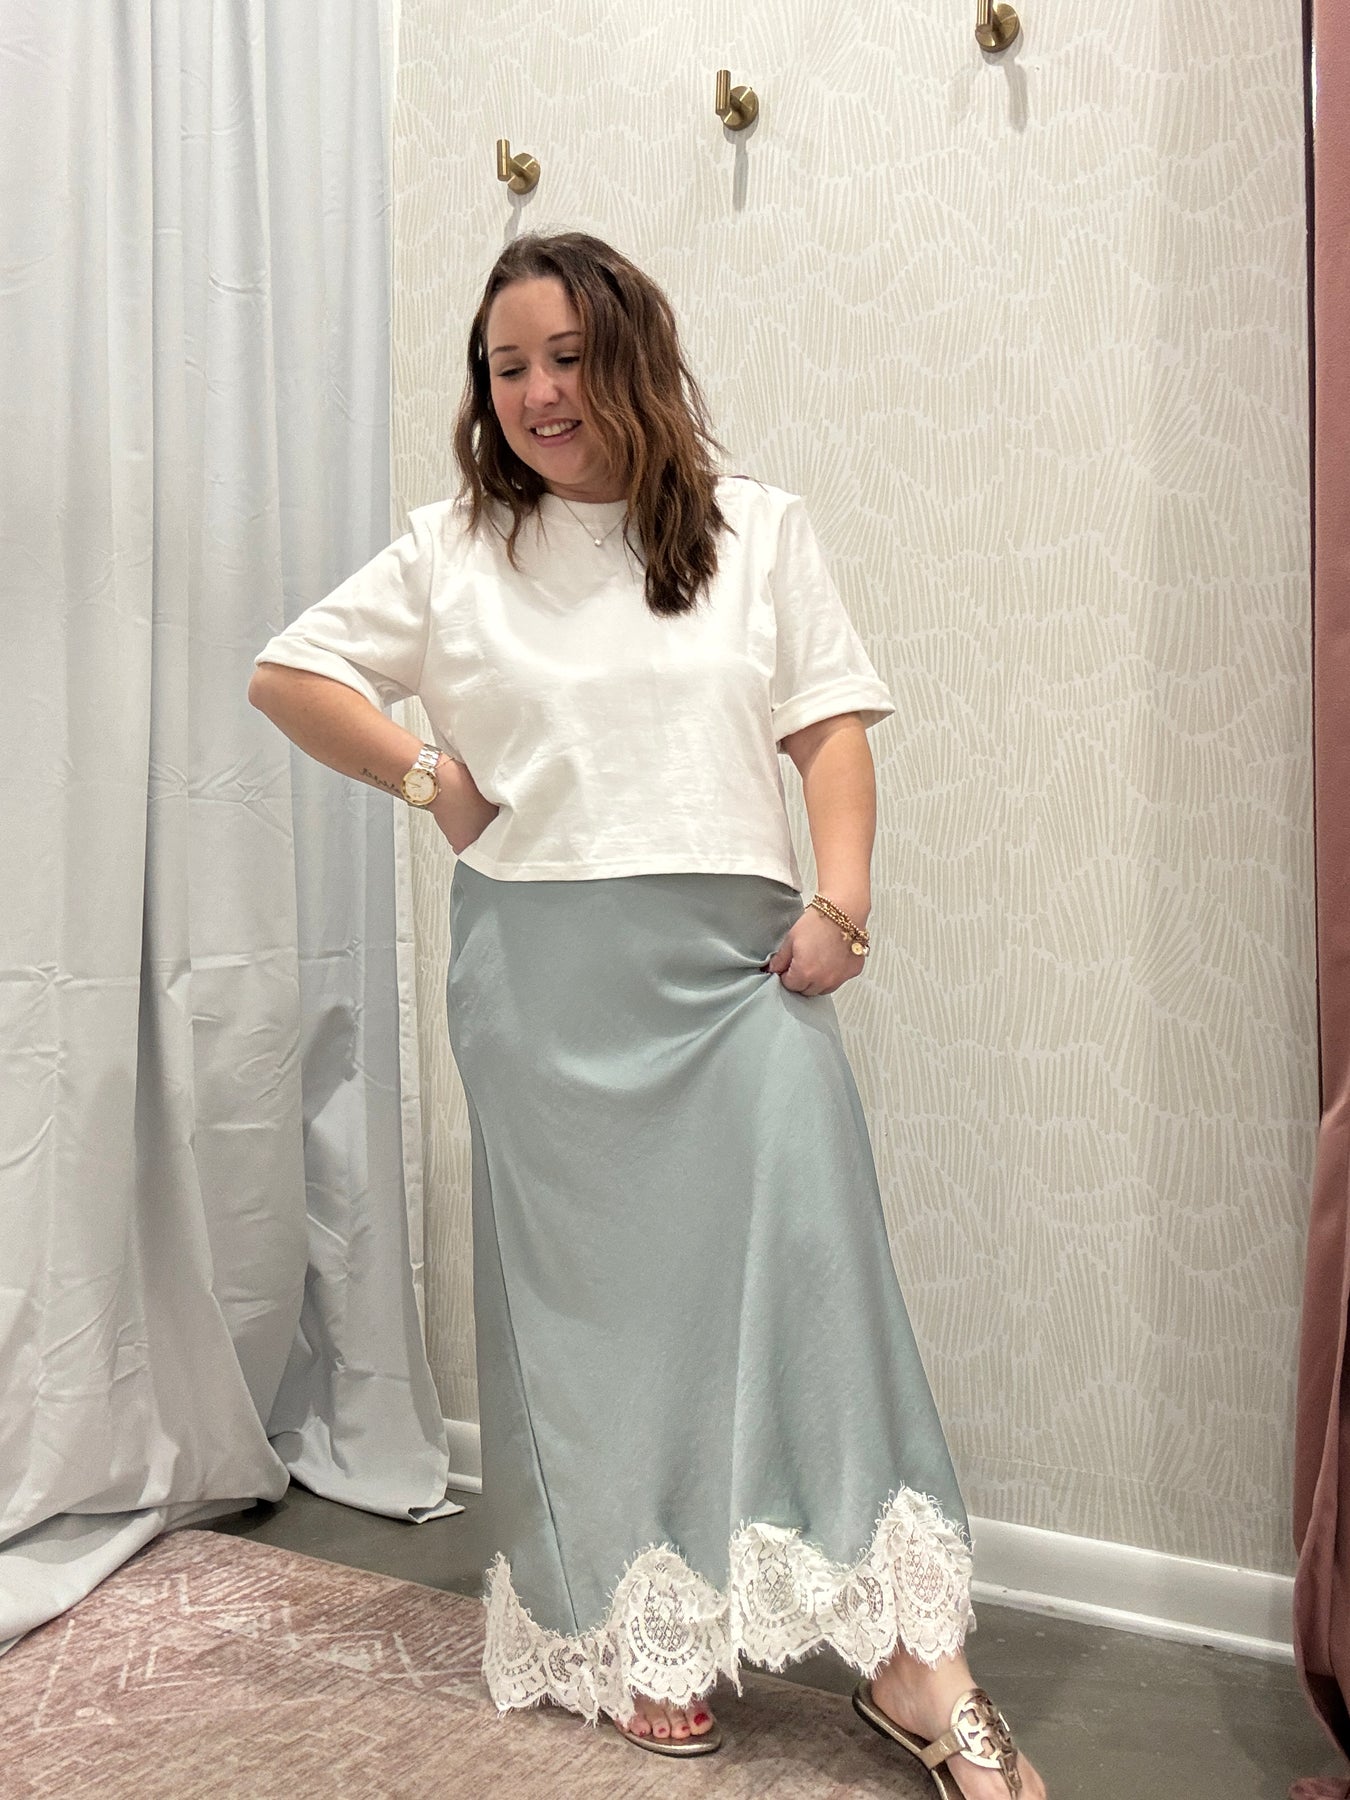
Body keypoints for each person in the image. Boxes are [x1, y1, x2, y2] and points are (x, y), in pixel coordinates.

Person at [249, 231, 1044, 1800]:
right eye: (506, 366)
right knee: (593, 1332)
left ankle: (914, 1659)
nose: (538, 391)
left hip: (737, 974)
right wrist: (428, 774)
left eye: (565, 355)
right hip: (543, 986)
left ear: (633, 358)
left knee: (817, 1284)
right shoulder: (454, 550)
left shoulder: (757, 531)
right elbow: (291, 673)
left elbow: (829, 732)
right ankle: (630, 1629)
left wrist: (840, 904)